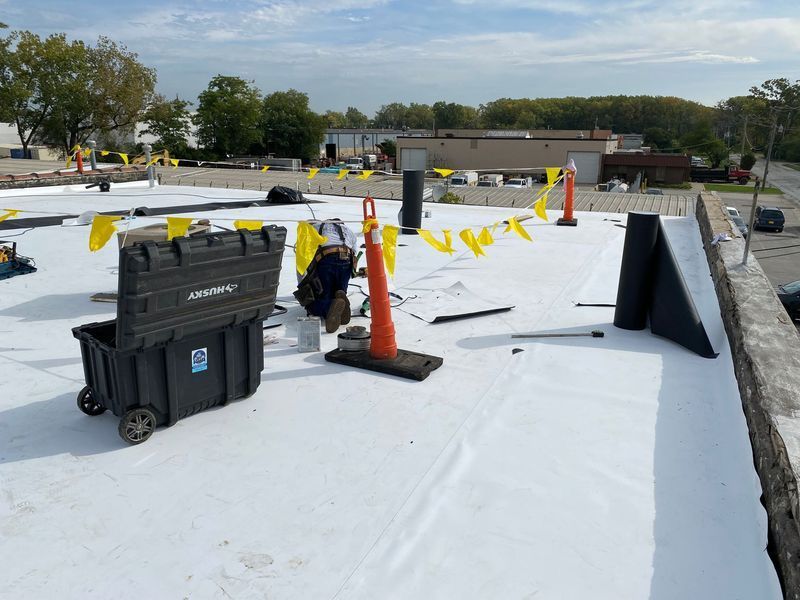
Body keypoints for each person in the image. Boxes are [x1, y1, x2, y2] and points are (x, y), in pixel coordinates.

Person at [294, 218, 357, 333]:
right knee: (339, 292)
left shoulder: (310, 230)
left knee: (320, 300)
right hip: (347, 260)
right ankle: (340, 300)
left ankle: (329, 306)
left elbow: (301, 265)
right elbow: (355, 257)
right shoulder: (349, 231)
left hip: (326, 260)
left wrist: (303, 287)